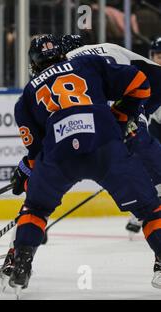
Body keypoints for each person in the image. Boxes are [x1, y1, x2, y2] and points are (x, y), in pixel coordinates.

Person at [0, 35, 161, 296]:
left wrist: (26, 172)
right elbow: (141, 83)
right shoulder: (88, 63)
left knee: (35, 208)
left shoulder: (28, 95)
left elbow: (35, 153)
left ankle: (18, 265)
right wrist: (121, 119)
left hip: (59, 154)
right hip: (105, 143)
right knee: (150, 208)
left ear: (33, 64)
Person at [60, 34, 161, 239]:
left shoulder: (60, 68)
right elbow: (151, 75)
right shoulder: (108, 47)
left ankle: (19, 249)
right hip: (130, 124)